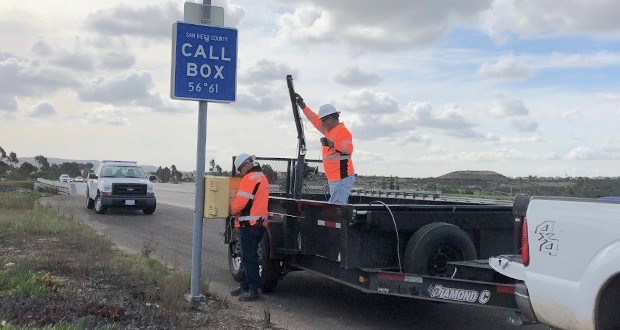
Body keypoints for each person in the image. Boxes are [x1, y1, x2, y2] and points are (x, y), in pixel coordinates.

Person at [294, 93, 356, 204]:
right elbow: (314, 119)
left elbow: (348, 149)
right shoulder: (328, 130)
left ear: (331, 119)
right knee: (337, 207)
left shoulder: (343, 132)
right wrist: (303, 106)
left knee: (336, 208)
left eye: (323, 120)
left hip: (342, 178)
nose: (321, 123)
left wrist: (332, 144)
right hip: (335, 178)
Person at [229, 153, 270, 302]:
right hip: (259, 224)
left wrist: (231, 210)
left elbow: (240, 203)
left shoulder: (249, 179)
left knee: (250, 257)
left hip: (250, 225)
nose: (240, 173)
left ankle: (254, 290)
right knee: (249, 256)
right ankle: (244, 285)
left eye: (240, 170)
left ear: (245, 165)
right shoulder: (262, 177)